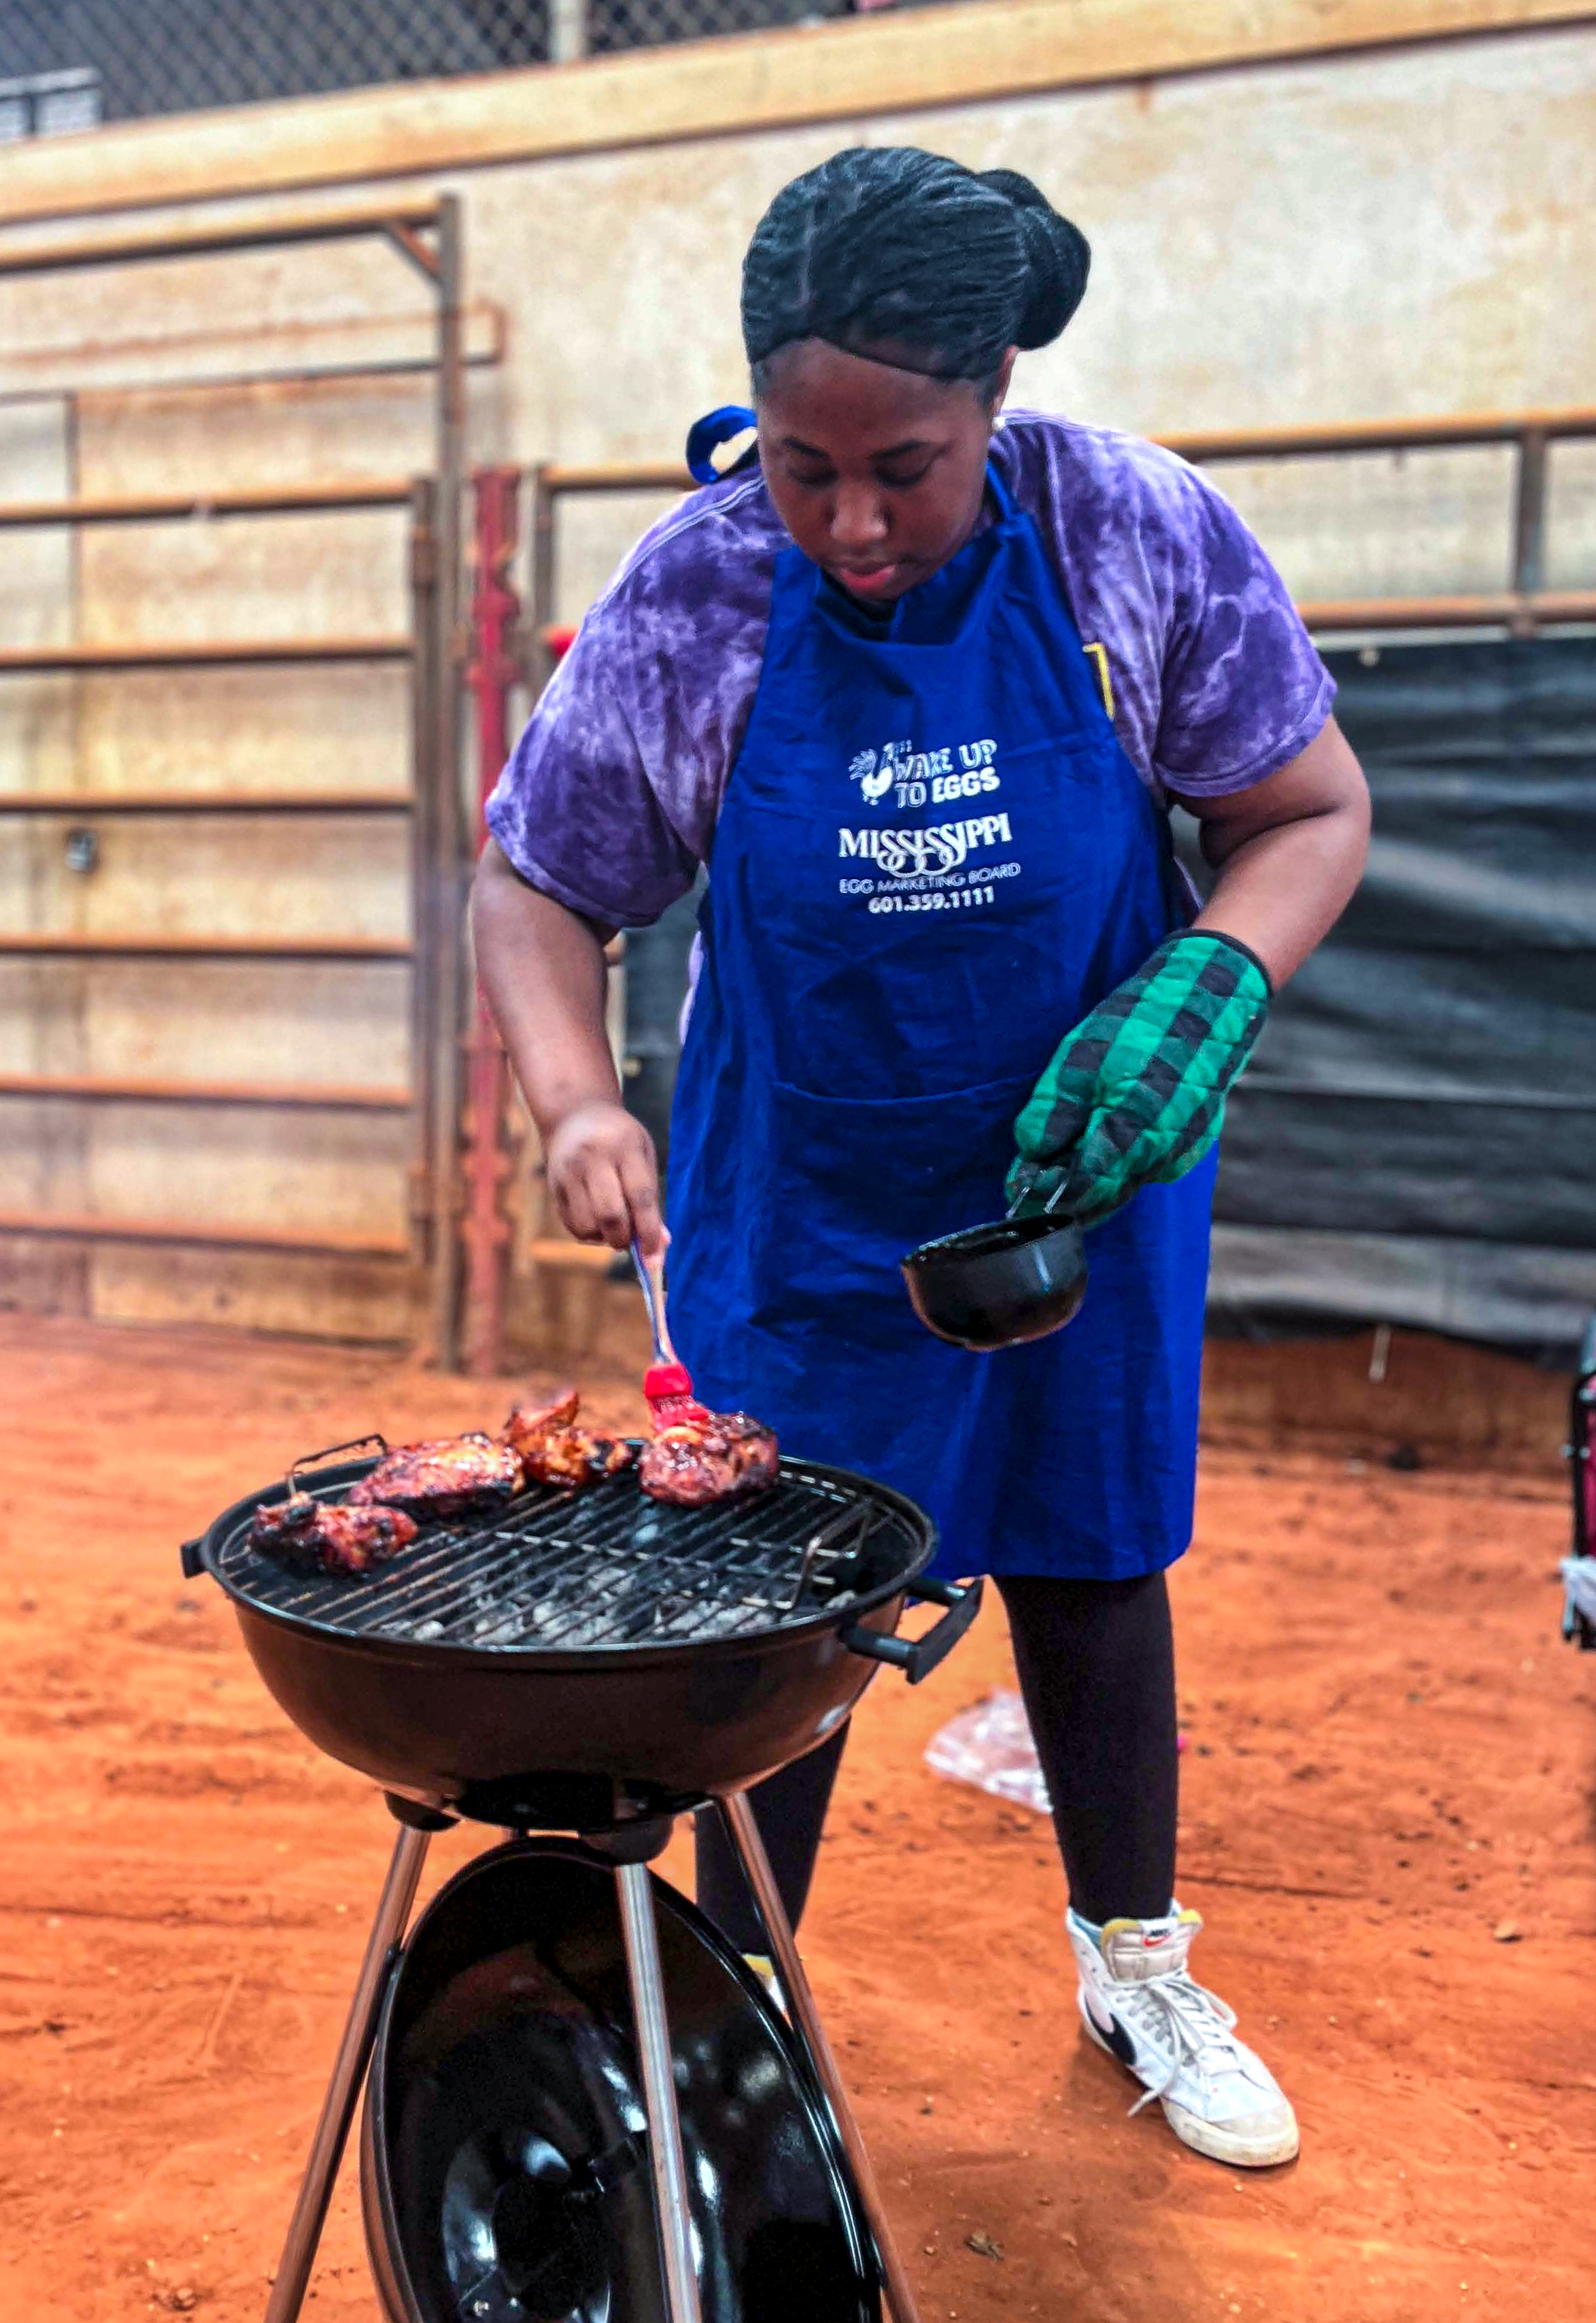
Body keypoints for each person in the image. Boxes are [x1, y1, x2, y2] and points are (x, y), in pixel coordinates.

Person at [473, 147, 1370, 2171]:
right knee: (782, 1609)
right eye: (805, 465)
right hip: (801, 1204)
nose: (856, 525)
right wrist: (579, 1102)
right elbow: (534, 883)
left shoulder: (1131, 531)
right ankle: (728, 2016)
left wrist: (1202, 989)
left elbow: (1308, 808)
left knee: (1091, 1557)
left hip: (1081, 1190)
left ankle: (1138, 1961)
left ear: (996, 406)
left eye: (913, 466)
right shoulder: (699, 591)